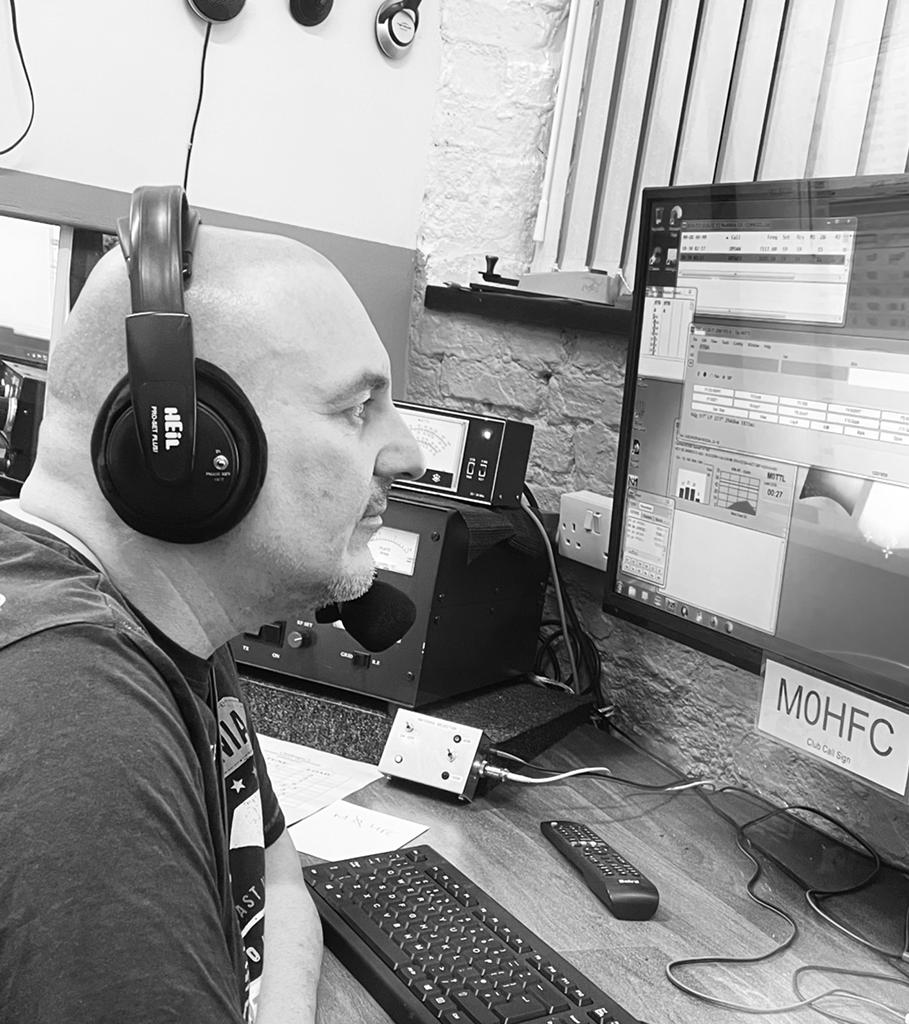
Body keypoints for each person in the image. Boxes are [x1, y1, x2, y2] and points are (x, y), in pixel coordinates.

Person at [0, 197, 425, 1023]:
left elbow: (271, 874)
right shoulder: (76, 713)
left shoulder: (164, 611)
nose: (405, 451)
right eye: (357, 408)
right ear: (187, 449)